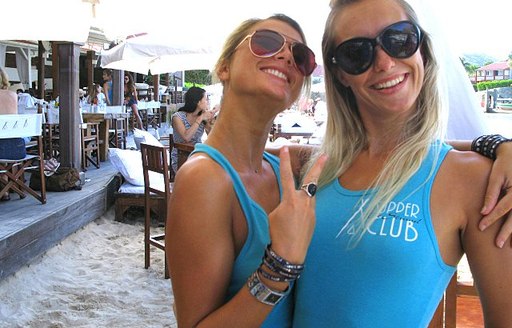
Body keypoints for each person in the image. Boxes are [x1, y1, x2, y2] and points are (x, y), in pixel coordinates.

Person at [292, 0, 512, 326]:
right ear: (339, 74)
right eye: (357, 53)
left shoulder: (477, 181)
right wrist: (495, 143)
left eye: (399, 39)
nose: (383, 62)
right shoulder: (314, 166)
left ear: (422, 48)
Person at [166, 14, 326, 327]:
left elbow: (366, 155)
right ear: (224, 67)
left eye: (300, 57)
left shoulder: (281, 166)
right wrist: (279, 267)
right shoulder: (203, 179)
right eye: (266, 42)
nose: (285, 56)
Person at [170, 86, 215, 173]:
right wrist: (200, 118)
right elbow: (186, 137)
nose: (208, 102)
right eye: (206, 99)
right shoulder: (177, 117)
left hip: (197, 156)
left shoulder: (203, 117)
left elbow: (212, 137)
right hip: (181, 158)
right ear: (198, 102)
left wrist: (211, 120)